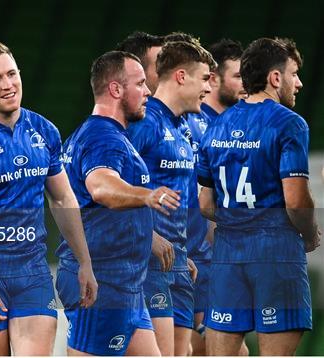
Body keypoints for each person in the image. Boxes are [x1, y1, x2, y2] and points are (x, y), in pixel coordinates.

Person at [0, 42, 97, 356]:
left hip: (32, 274)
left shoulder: (44, 131)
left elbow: (64, 199)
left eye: (12, 74)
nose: (8, 84)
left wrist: (85, 262)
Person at [198, 37, 321, 355]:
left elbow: (205, 204)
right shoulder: (289, 124)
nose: (299, 82)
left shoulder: (215, 126)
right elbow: (295, 201)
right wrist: (309, 235)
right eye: (294, 73)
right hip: (276, 252)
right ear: (275, 78)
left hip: (227, 254)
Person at [56, 50, 181, 356]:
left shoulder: (104, 135)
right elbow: (100, 187)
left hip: (126, 285)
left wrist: (147, 235)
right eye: (140, 83)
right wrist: (147, 196)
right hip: (103, 282)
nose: (148, 91)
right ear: (115, 89)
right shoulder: (103, 137)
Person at [127, 40, 215, 356]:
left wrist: (181, 255)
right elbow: (111, 190)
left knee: (184, 353)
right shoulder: (144, 122)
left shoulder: (181, 129)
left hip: (176, 261)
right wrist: (149, 237)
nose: (209, 88)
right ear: (181, 76)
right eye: (204, 78)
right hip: (146, 265)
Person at [184, 39, 249, 356]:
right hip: (197, 259)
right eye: (237, 76)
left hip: (215, 259)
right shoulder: (198, 126)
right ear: (213, 79)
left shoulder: (224, 127)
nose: (244, 85)